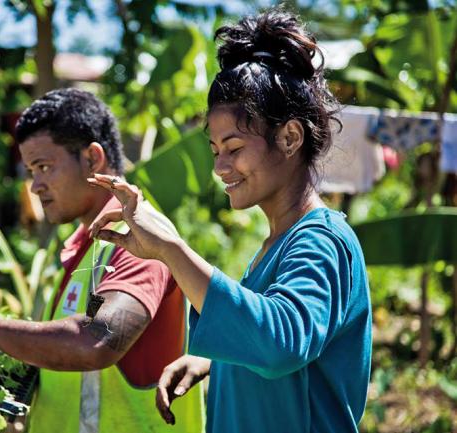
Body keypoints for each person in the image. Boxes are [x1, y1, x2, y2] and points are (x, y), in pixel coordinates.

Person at [88, 9, 372, 433]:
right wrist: (215, 361)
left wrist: (171, 248)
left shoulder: (321, 241)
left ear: (290, 138)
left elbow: (279, 343)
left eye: (234, 148)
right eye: (215, 150)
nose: (220, 168)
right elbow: (269, 342)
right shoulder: (277, 243)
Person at [0, 88, 203, 433]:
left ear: (92, 159)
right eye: (31, 170)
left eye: (44, 167)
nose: (35, 186)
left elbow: (97, 341)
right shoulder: (85, 247)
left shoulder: (141, 241)